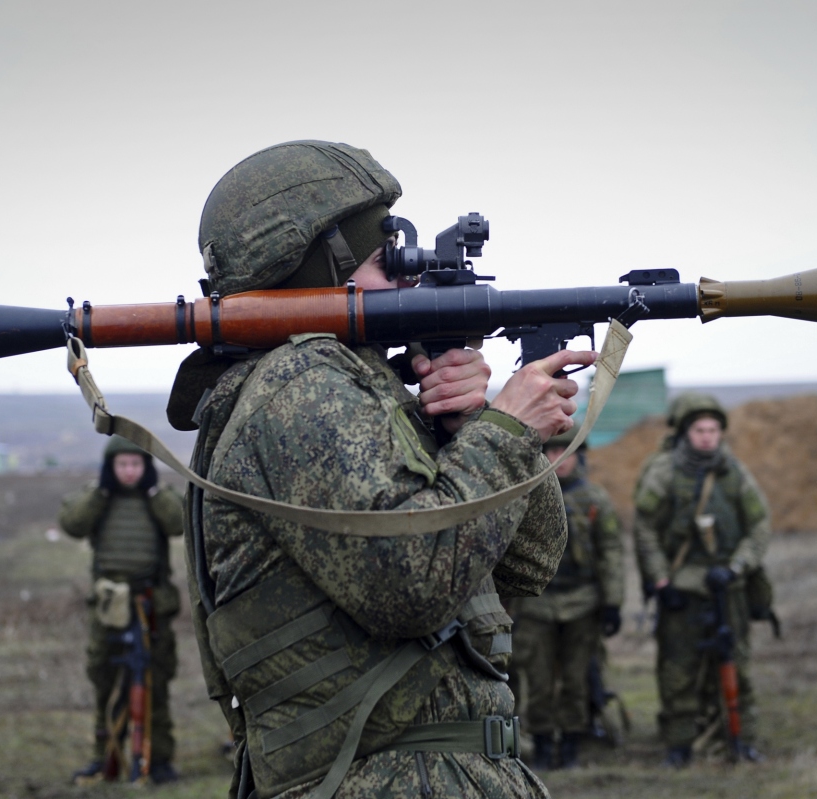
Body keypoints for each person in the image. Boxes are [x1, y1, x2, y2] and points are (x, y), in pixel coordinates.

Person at [168, 141, 595, 799]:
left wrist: (471, 426)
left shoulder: (363, 387)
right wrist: (507, 431)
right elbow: (410, 583)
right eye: (382, 260)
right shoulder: (299, 385)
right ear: (317, 270)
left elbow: (528, 562)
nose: (407, 279)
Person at [632, 393, 770, 767]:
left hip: (727, 588)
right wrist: (661, 581)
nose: (707, 437)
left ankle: (741, 738)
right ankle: (678, 745)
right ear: (684, 432)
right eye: (699, 429)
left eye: (713, 430)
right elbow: (644, 528)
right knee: (678, 671)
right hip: (681, 591)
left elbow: (759, 525)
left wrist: (737, 566)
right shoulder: (663, 473)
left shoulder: (734, 473)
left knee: (735, 666)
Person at [58, 436, 185, 784]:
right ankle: (105, 756)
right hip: (109, 607)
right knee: (106, 681)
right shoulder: (99, 498)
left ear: (146, 467)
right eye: (122, 465)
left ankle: (158, 760)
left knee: (154, 682)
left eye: (136, 464)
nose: (129, 472)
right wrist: (100, 492)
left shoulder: (158, 498)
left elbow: (179, 523)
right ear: (110, 467)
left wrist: (155, 493)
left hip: (150, 607)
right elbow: (72, 523)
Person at [508, 424, 624, 770]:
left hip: (582, 602)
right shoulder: (525, 495)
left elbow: (611, 553)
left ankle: (572, 740)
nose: (559, 460)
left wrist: (613, 602)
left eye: (566, 452)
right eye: (552, 452)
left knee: (576, 678)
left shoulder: (595, 499)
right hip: (535, 604)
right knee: (538, 679)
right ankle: (543, 742)